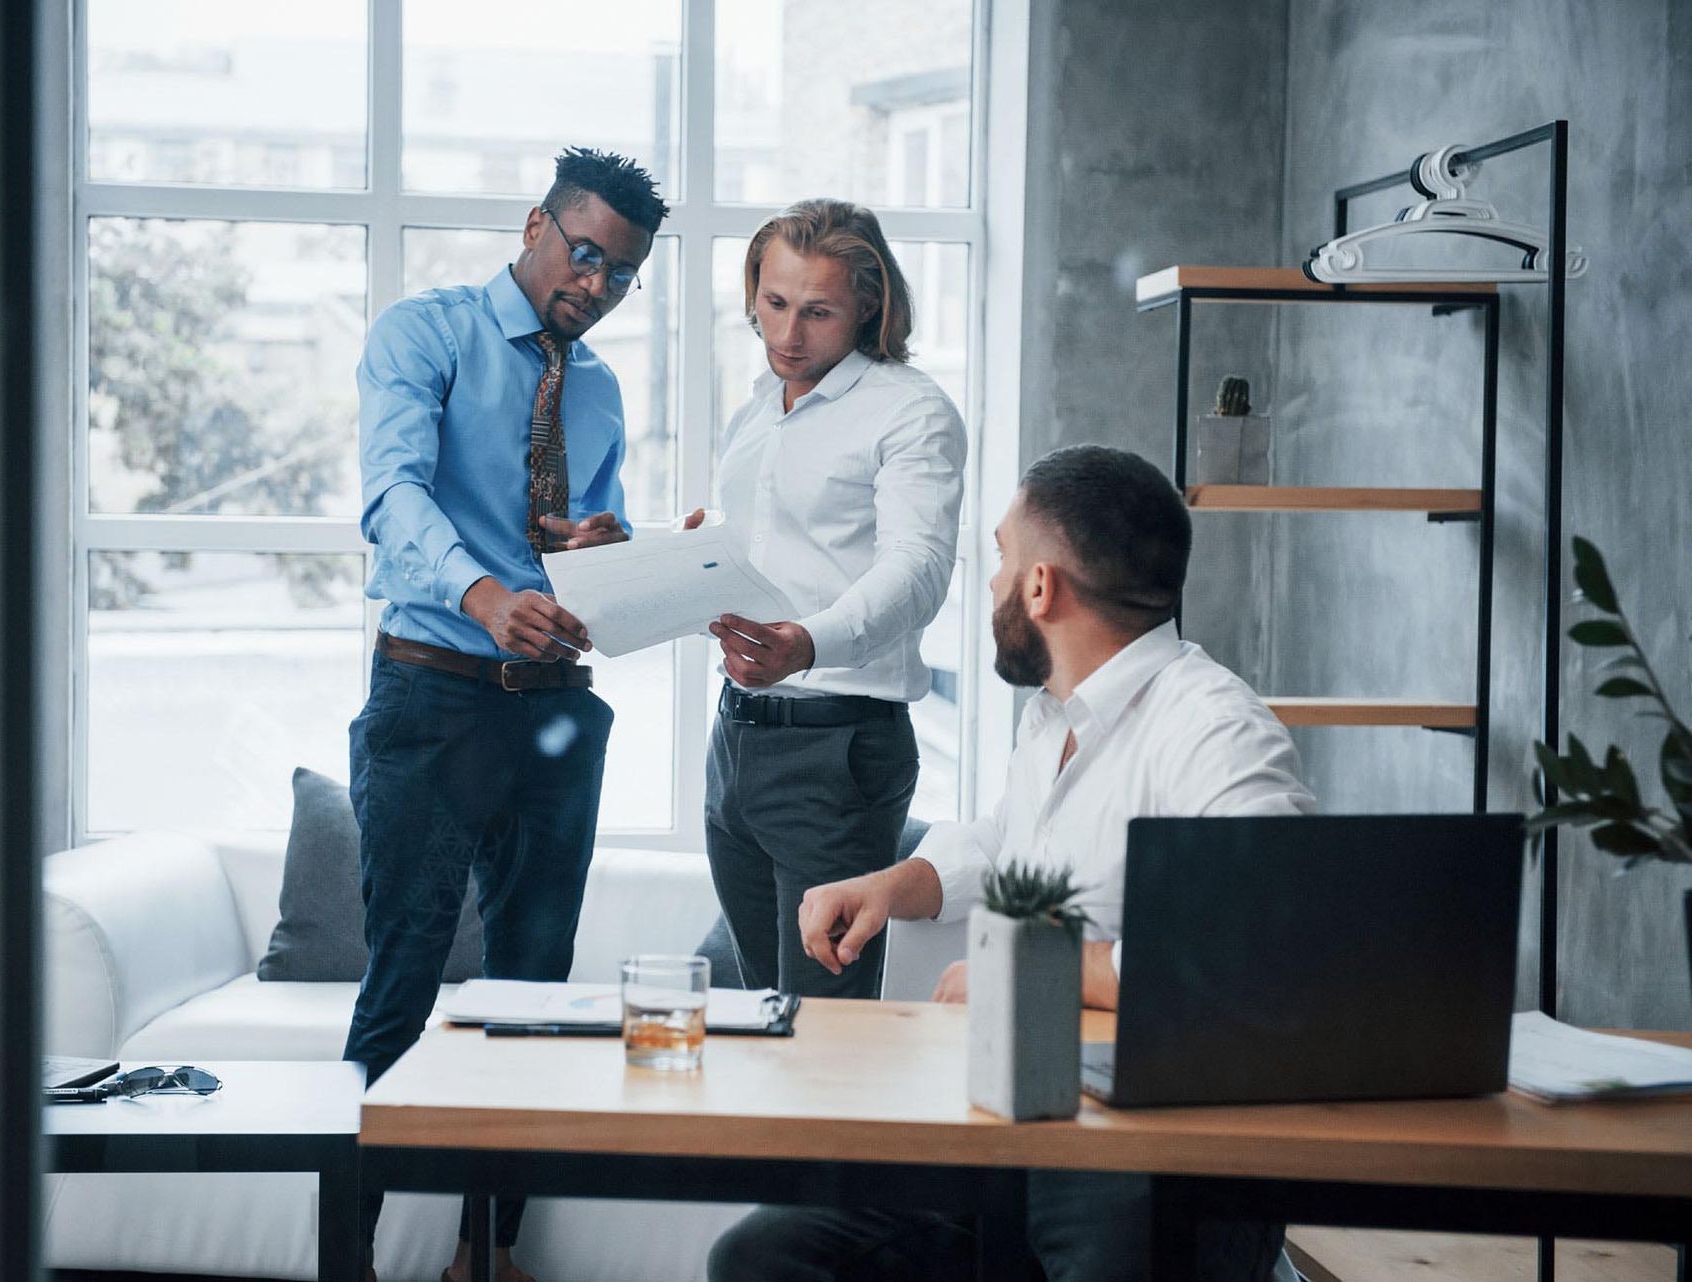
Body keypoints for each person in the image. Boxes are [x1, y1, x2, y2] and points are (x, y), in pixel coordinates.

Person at [709, 444, 1317, 1282]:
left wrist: (1034, 970)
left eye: (1001, 556)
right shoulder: (1054, 716)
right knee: (766, 1256)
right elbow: (1006, 840)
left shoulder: (1215, 730)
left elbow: (1266, 959)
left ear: (1041, 587)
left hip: (1142, 1154)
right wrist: (895, 883)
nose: (991, 582)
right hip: (1016, 1117)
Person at [345, 146, 667, 1282]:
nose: (595, 286)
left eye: (621, 275)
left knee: (534, 999)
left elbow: (584, 527)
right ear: (536, 226)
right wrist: (487, 592)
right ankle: (357, 1260)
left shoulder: (599, 387)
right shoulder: (425, 334)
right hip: (433, 695)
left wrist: (595, 551)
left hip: (554, 717)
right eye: (584, 255)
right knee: (404, 981)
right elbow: (394, 496)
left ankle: (488, 1260)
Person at [692, 197, 967, 1000]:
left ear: (869, 306)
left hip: (836, 750)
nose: (787, 334)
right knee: (762, 1017)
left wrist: (806, 642)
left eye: (817, 312)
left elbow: (917, 568)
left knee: (823, 1031)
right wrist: (650, 550)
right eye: (774, 304)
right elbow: (762, 542)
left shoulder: (909, 410)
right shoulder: (757, 409)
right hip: (735, 742)